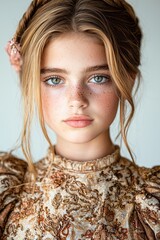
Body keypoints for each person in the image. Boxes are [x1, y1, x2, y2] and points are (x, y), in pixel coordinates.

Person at [0, 0, 160, 239]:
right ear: (30, 82)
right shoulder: (7, 190)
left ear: (127, 79)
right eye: (55, 79)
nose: (77, 100)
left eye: (98, 77)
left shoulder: (153, 203)